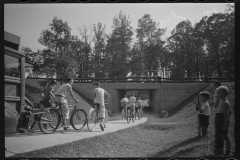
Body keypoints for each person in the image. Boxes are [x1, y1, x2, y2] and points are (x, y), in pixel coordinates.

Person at [214, 86, 231, 156]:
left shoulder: (225, 103)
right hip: (218, 120)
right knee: (219, 135)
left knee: (225, 136)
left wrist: (225, 124)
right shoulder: (222, 102)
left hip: (222, 121)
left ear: (224, 93)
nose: (217, 95)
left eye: (219, 94)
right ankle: (219, 150)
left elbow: (226, 114)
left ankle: (228, 150)